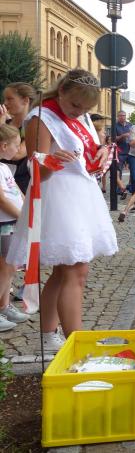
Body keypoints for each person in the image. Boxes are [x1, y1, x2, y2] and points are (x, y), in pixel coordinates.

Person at [8, 69, 118, 350]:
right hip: (58, 196)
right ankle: (77, 344)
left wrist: (101, 151)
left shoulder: (80, 115)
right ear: (61, 91)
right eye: (75, 105)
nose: (78, 112)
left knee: (63, 272)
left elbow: (88, 151)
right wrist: (52, 161)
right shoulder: (42, 116)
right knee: (76, 272)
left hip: (80, 195)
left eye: (85, 109)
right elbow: (36, 172)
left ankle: (49, 336)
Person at [0, 124, 28, 331]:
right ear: (3, 146)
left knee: (10, 267)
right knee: (6, 267)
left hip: (12, 223)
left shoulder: (4, 167)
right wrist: (21, 216)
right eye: (16, 145)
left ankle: (4, 305)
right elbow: (2, 199)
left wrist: (26, 209)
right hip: (4, 223)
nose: (18, 150)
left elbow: (16, 192)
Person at [1, 82, 34, 194]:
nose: (5, 103)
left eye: (10, 99)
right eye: (5, 99)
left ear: (25, 100)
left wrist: (1, 125)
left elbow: (16, 154)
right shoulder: (5, 122)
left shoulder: (32, 126)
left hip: (20, 185)